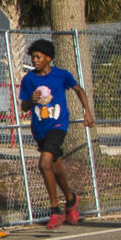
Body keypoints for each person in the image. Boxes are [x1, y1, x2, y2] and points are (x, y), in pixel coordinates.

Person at [22, 37, 95, 228]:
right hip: (40, 130)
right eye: (32, 58)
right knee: (56, 168)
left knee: (44, 164)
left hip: (58, 126)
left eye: (38, 57)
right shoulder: (29, 79)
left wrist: (87, 112)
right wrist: (32, 99)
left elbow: (79, 90)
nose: (34, 60)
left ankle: (55, 211)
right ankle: (71, 200)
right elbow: (24, 107)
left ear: (48, 58)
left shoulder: (61, 75)